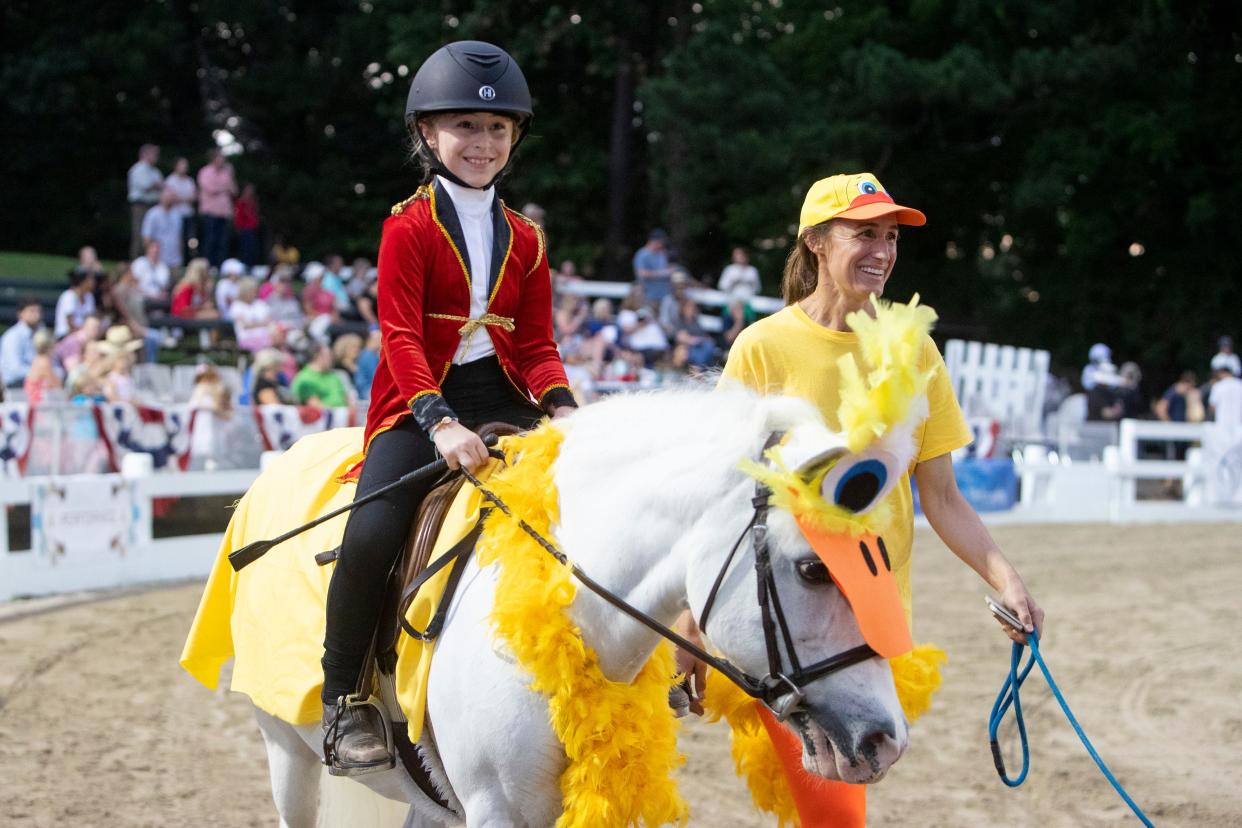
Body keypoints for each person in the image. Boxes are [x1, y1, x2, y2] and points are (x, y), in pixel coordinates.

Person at [690, 172, 1043, 827]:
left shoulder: (914, 351)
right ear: (818, 243)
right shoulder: (762, 349)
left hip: (872, 616)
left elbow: (942, 496)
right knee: (833, 809)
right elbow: (717, 497)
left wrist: (1007, 578)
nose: (882, 249)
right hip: (786, 615)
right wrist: (689, 628)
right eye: (864, 234)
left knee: (829, 799)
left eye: (889, 236)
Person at [319, 40, 577, 775]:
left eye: (497, 130)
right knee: (372, 533)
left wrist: (563, 407)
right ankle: (347, 700)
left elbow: (534, 342)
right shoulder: (407, 225)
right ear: (428, 135)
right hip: (416, 398)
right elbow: (399, 336)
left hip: (501, 392)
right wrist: (438, 423)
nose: (483, 143)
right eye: (465, 127)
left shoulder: (525, 238)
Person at [197, 149, 237, 267]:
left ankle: (220, 266)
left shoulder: (227, 173)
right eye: (220, 158)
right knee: (210, 240)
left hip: (224, 213)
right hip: (210, 212)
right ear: (214, 159)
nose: (223, 160)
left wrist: (231, 176)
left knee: (222, 242)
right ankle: (207, 265)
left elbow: (234, 191)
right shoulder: (205, 172)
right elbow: (210, 189)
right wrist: (224, 188)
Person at [127, 144, 163, 259]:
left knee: (151, 234)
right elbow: (146, 186)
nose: (156, 157)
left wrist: (156, 186)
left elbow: (161, 186)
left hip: (153, 205)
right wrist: (155, 186)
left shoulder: (155, 171)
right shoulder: (138, 169)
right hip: (140, 205)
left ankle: (149, 258)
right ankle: (136, 259)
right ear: (145, 154)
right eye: (154, 154)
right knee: (139, 233)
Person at [0, 299, 43, 388]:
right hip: (13, 388)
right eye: (32, 311)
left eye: (39, 311)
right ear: (20, 314)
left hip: (36, 384)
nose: (37, 315)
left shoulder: (42, 333)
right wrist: (41, 372)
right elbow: (14, 370)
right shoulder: (12, 337)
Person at [292, 343, 350, 408]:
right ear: (317, 356)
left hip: (343, 413)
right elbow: (314, 405)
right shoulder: (304, 378)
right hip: (326, 416)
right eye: (328, 356)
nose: (332, 359)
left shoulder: (334, 376)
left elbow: (346, 398)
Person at [165, 157, 198, 262]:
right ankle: (179, 261)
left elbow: (194, 197)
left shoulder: (189, 180)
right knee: (178, 240)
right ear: (176, 166)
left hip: (188, 215)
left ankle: (190, 261)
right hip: (175, 215)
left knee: (191, 241)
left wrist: (180, 197)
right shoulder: (170, 180)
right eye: (182, 165)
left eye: (185, 165)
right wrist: (186, 198)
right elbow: (171, 198)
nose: (184, 167)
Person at [141, 188, 184, 268]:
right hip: (158, 260)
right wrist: (150, 257)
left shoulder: (177, 214)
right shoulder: (152, 214)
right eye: (167, 197)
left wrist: (180, 255)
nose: (169, 199)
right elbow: (147, 237)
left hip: (174, 260)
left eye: (171, 197)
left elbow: (179, 236)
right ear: (161, 197)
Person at [632, 228, 673, 303]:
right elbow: (641, 273)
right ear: (653, 241)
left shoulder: (662, 254)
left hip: (664, 296)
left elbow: (668, 269)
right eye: (661, 242)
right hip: (648, 296)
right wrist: (662, 273)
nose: (662, 245)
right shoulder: (642, 254)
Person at [22, 329, 62, 406]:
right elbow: (57, 386)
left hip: (35, 405)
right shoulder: (44, 362)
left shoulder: (37, 360)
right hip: (37, 408)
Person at [54, 269, 96, 339]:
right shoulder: (68, 296)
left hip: (84, 334)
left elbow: (90, 318)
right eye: (90, 280)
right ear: (82, 282)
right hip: (65, 336)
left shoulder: (89, 296)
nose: (93, 282)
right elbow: (71, 324)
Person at [234, 183, 261, 268]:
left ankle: (251, 265)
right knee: (245, 247)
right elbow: (238, 216)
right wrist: (239, 227)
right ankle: (245, 265)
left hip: (252, 228)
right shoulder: (241, 202)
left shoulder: (253, 201)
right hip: (244, 228)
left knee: (252, 248)